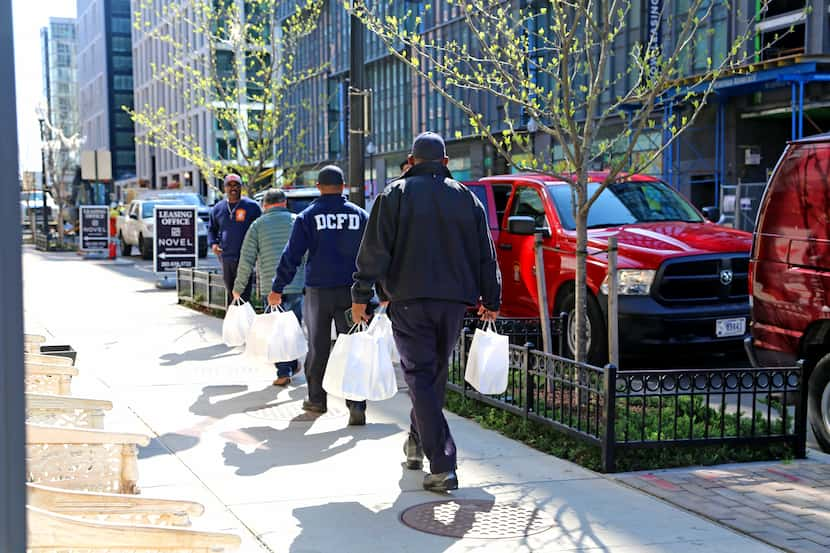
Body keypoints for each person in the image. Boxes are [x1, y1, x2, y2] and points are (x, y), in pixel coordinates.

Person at [351, 131, 502, 493]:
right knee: (432, 376)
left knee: (420, 375)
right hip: (453, 303)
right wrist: (491, 298)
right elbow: (486, 253)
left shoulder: (394, 195)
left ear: (412, 160)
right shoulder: (467, 199)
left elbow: (374, 250)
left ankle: (442, 464)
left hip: (408, 299)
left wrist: (361, 294)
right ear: (446, 163)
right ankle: (416, 443)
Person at [269, 165, 369, 426]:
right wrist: (378, 291)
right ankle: (356, 404)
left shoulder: (307, 217)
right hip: (352, 293)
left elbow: (291, 256)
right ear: (344, 186)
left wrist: (277, 287)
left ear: (319, 187)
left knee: (318, 346)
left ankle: (316, 399)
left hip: (318, 291)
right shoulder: (360, 216)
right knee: (353, 347)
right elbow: (374, 256)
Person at [232, 188, 305, 386]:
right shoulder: (297, 220)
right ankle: (291, 362)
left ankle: (284, 370)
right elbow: (307, 253)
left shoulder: (257, 225)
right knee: (293, 327)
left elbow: (246, 258)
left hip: (270, 287)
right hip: (296, 285)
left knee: (276, 330)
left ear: (265, 205)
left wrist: (238, 287)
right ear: (284, 202)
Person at [208, 174, 262, 304]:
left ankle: (243, 320)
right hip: (226, 257)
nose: (233, 188)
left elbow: (260, 228)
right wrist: (213, 244)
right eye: (229, 185)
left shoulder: (252, 206)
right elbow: (211, 229)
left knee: (244, 292)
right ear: (224, 188)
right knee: (230, 291)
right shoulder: (217, 208)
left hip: (246, 257)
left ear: (241, 187)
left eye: (236, 185)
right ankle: (234, 320)